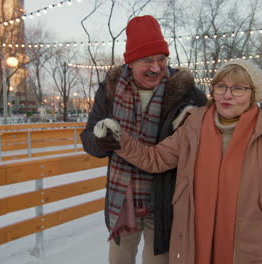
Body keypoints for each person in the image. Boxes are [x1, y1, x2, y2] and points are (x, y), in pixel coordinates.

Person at [95, 59, 262, 264]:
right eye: (221, 86)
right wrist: (120, 139)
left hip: (251, 245)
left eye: (238, 88)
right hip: (195, 241)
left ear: (254, 94)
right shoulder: (192, 125)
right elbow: (155, 159)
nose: (227, 95)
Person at [80, 15, 207, 264]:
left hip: (165, 196)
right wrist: (99, 143)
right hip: (123, 195)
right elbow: (88, 136)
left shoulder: (186, 93)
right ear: (130, 62)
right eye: (147, 60)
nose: (156, 67)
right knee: (119, 259)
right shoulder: (109, 91)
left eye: (161, 59)